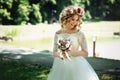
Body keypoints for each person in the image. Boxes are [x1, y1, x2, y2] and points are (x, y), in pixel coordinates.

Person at [47, 5, 99, 80]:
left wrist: (70, 53)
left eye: (77, 20)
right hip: (61, 64)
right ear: (66, 18)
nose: (75, 22)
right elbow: (54, 52)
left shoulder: (79, 34)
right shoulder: (58, 33)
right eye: (72, 19)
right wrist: (62, 54)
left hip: (77, 65)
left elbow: (85, 53)